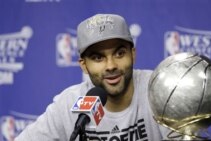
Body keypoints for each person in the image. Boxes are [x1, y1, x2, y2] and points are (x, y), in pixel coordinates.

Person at [15, 13, 169, 141]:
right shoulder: (69, 104)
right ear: (83, 65)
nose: (111, 65)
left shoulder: (161, 90)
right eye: (98, 58)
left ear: (133, 54)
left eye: (119, 53)